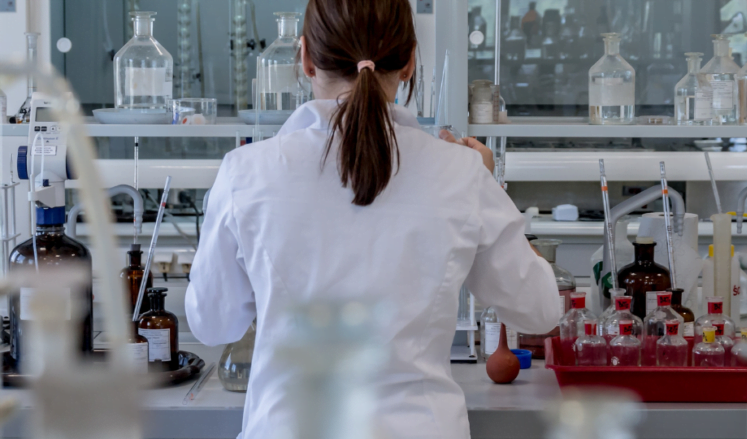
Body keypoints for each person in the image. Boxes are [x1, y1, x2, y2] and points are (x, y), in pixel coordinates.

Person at [184, 1, 561, 438]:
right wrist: (488, 187)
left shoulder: (246, 172)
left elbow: (212, 325)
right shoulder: (461, 173)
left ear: (305, 58)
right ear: (409, 62)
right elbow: (540, 310)